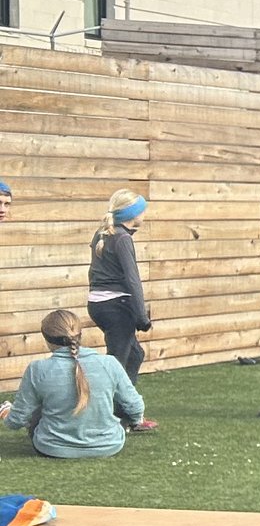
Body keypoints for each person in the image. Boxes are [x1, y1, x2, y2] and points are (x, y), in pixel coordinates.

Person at [4, 309, 144, 458]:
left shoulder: (37, 369)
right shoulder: (109, 364)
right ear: (80, 334)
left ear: (47, 339)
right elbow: (135, 406)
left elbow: (16, 421)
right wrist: (135, 420)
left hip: (51, 448)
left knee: (38, 407)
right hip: (109, 445)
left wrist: (7, 414)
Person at [85, 191, 158, 432]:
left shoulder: (103, 233)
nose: (145, 215)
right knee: (117, 363)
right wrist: (141, 317)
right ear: (133, 214)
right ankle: (112, 420)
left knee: (134, 355)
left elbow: (92, 273)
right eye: (142, 210)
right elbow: (132, 280)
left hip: (99, 304)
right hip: (118, 307)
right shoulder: (123, 239)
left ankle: (128, 414)